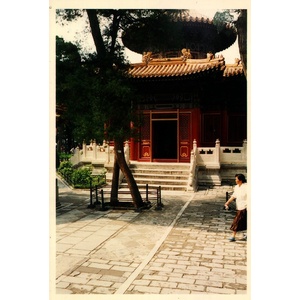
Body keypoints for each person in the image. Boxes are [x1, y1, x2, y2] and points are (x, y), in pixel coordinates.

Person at [224, 173, 247, 242]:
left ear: (240, 180)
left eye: (236, 179)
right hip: (239, 206)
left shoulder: (246, 187)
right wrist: (228, 202)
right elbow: (234, 196)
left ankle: (233, 236)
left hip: (245, 206)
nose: (235, 180)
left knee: (236, 221)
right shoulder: (237, 187)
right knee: (245, 221)